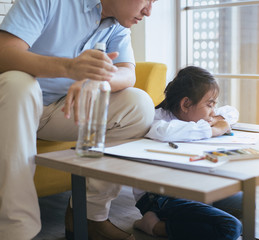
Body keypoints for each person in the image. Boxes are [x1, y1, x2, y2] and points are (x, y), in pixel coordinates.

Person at [0, 0, 157, 240]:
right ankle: (16, 232)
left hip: (63, 109)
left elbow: (128, 73)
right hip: (13, 104)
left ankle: (87, 216)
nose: (149, 11)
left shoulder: (118, 25)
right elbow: (4, 53)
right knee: (19, 85)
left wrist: (98, 82)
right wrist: (69, 67)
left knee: (139, 106)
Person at [133, 66, 243, 240]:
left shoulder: (197, 117)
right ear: (186, 104)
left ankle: (190, 221)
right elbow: (165, 132)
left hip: (195, 188)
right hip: (160, 197)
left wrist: (217, 120)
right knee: (230, 228)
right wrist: (213, 130)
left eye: (215, 104)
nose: (213, 111)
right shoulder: (157, 119)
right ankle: (155, 226)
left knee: (247, 202)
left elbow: (231, 112)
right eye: (209, 104)